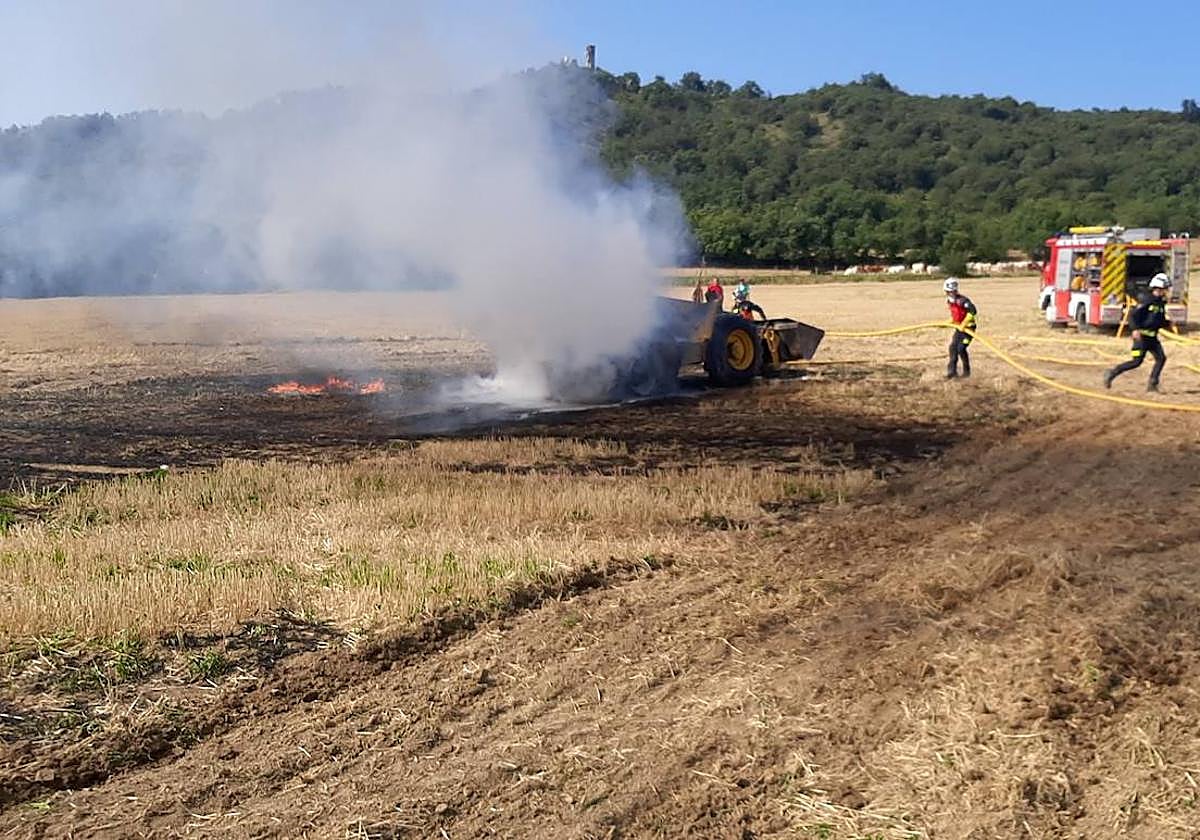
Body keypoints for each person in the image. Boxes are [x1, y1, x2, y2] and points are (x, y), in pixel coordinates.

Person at [1104, 273, 1172, 392]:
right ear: (1157, 288)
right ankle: (1112, 372)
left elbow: (1156, 320)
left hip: (1152, 339)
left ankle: (1152, 384)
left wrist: (1167, 323)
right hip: (1141, 339)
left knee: (1161, 359)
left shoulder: (1160, 303)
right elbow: (1132, 315)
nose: (1165, 292)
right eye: (1164, 289)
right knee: (1136, 362)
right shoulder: (1147, 300)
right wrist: (1135, 329)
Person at [943, 277, 977, 379]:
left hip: (968, 329)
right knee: (952, 348)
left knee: (961, 349)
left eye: (952, 291)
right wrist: (950, 322)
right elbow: (956, 315)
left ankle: (966, 372)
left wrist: (964, 324)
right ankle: (952, 372)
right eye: (948, 292)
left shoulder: (962, 301)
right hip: (959, 328)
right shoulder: (950, 301)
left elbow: (973, 312)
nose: (950, 294)